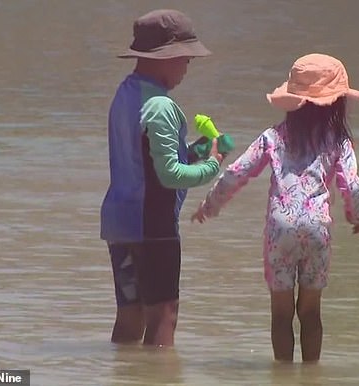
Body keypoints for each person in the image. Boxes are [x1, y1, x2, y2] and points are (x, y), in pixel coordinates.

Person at [191, 53, 359, 362]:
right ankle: (311, 375)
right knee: (311, 312)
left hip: (280, 229)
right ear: (337, 102)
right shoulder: (338, 141)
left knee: (281, 313)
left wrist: (210, 206)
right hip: (317, 229)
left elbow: (236, 173)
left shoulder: (273, 137)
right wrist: (356, 216)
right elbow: (351, 184)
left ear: (291, 101)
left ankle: (283, 375)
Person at [100, 9, 224, 347]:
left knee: (130, 314)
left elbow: (146, 158)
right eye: (185, 59)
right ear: (168, 57)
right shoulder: (162, 106)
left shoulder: (125, 93)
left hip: (120, 223)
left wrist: (196, 151)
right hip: (153, 226)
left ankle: (123, 373)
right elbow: (170, 176)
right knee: (163, 315)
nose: (187, 67)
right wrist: (213, 163)